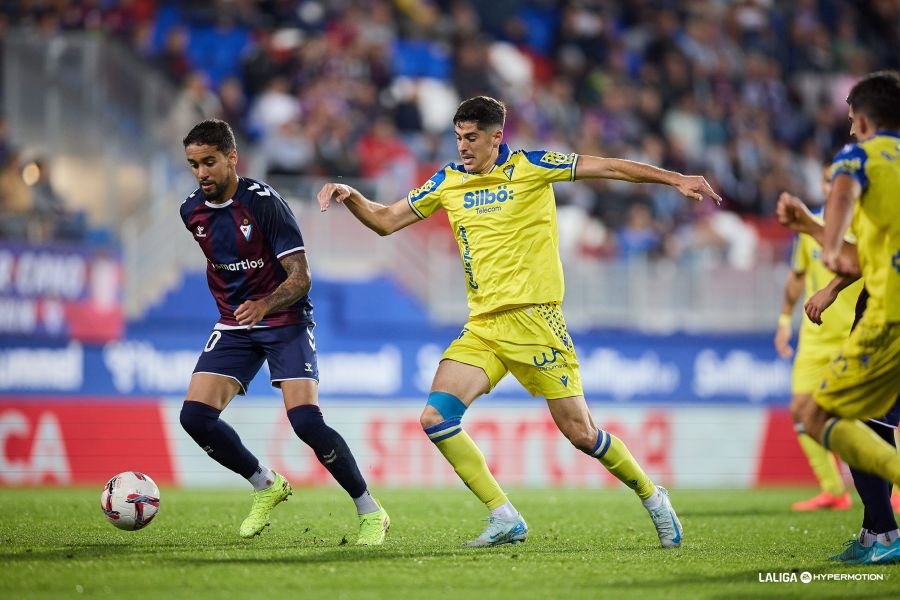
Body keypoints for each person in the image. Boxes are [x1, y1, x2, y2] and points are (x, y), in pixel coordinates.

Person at [317, 96, 721, 548]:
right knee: (436, 418)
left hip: (536, 321)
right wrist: (351, 196)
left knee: (582, 434)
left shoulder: (533, 166)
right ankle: (504, 515)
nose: (463, 147)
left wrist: (675, 179)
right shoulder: (447, 181)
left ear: (496, 137)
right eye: (458, 138)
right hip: (484, 326)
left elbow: (610, 167)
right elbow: (386, 220)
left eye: (472, 138)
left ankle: (652, 496)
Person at [179, 119, 389, 544]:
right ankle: (265, 483)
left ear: (232, 158)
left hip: (284, 316)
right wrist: (236, 307)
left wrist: (263, 304)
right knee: (195, 417)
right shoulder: (191, 212)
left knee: (306, 423)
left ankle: (370, 509)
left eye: (210, 162)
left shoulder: (264, 204)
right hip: (236, 323)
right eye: (194, 164)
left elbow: (301, 277)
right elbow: (219, 259)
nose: (202, 173)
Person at [779, 71, 900, 563]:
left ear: (865, 121)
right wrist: (832, 288)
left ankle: (885, 534)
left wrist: (811, 225)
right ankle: (878, 532)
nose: (851, 131)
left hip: (888, 312)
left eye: (853, 121)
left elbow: (839, 254)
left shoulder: (857, 159)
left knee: (818, 414)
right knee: (871, 420)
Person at [774, 171, 862, 512]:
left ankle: (895, 486)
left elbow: (867, 262)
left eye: (837, 180)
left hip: (855, 332)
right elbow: (797, 275)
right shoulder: (806, 225)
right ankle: (833, 490)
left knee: (875, 415)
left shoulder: (861, 221)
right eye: (827, 180)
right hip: (815, 336)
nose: (831, 186)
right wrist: (784, 319)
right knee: (800, 410)